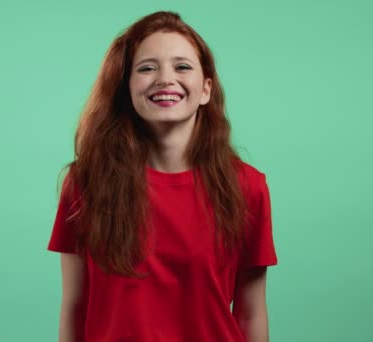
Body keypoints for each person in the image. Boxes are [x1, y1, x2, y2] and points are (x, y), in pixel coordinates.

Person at [48, 10, 278, 342]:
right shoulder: (85, 184)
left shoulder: (248, 187)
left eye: (182, 66)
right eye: (146, 68)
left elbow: (251, 311)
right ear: (126, 88)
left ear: (205, 90)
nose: (165, 78)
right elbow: (74, 306)